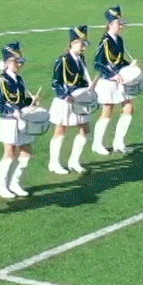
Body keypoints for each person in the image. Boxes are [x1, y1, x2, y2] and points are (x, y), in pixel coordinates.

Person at [0, 43, 38, 198]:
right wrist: (12, 111)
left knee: (27, 153)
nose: (19, 64)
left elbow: (20, 100)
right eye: (15, 61)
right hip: (9, 121)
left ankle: (15, 183)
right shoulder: (0, 80)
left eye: (20, 61)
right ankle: (1, 186)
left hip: (22, 120)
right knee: (10, 154)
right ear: (6, 63)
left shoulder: (19, 79)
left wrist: (31, 101)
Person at [47, 26, 94, 175]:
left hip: (79, 99)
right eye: (81, 43)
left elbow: (82, 79)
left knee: (84, 129)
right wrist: (66, 95)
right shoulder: (62, 60)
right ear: (73, 43)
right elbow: (55, 82)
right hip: (65, 100)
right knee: (61, 130)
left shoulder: (81, 59)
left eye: (84, 44)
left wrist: (88, 88)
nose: (84, 47)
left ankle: (74, 161)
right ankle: (54, 163)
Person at [91, 5, 137, 154]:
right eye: (119, 23)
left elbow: (119, 60)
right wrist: (112, 75)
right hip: (108, 81)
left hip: (120, 80)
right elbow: (98, 63)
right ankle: (97, 144)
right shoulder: (105, 41)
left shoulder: (119, 40)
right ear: (111, 24)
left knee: (129, 108)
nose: (122, 26)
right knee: (108, 111)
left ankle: (119, 142)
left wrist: (130, 65)